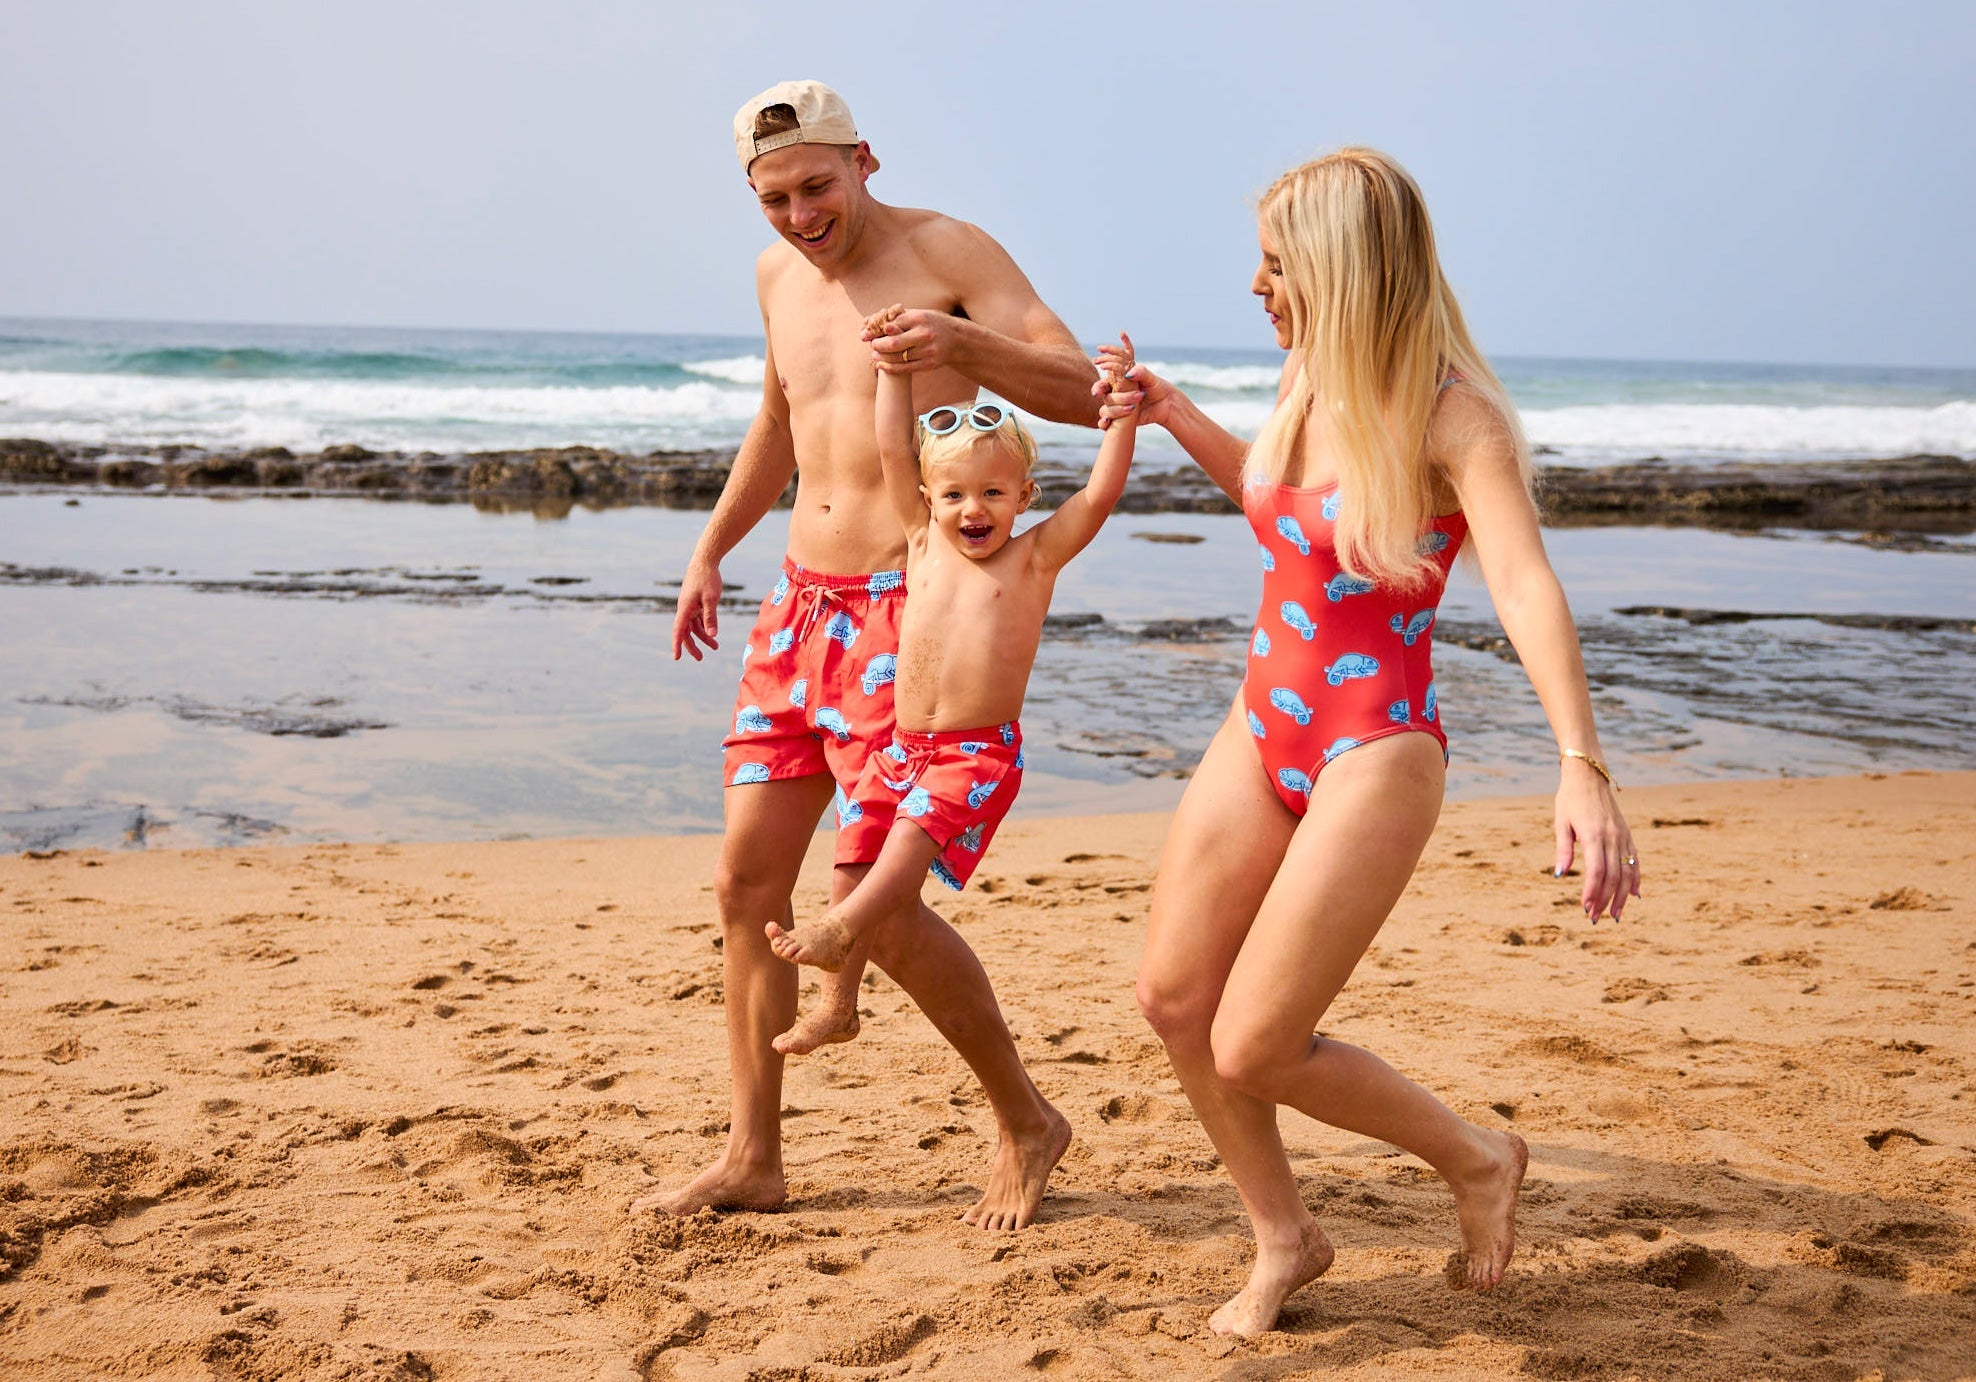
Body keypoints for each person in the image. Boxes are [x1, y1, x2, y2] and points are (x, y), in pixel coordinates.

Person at [1102, 147, 1642, 1335]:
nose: (1255, 284)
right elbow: (1275, 498)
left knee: (1254, 1039)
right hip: (1263, 723)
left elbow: (1521, 581)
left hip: (1372, 746)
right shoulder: (1306, 376)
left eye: (1277, 263)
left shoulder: (1454, 416)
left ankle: (1474, 1156)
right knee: (1173, 994)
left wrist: (1580, 763)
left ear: (1342, 272)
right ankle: (1283, 1235)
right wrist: (1170, 408)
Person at [640, 80, 1098, 1231]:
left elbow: (1089, 393)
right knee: (747, 881)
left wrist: (963, 342)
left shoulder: (950, 249)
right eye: (773, 198)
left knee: (871, 908)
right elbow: (777, 424)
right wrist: (709, 549)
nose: (799, 216)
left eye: (815, 187)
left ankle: (1026, 1118)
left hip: (913, 610)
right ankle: (754, 1153)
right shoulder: (774, 279)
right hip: (796, 607)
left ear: (864, 162)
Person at [765, 312, 1139, 1053]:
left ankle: (840, 933)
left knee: (900, 853)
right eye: (956, 496)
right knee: (853, 858)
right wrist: (895, 377)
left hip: (975, 753)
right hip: (901, 747)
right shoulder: (919, 542)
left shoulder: (1033, 561)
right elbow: (888, 448)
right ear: (930, 500)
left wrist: (1121, 410)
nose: (975, 510)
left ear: (1026, 496)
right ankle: (840, 1006)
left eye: (995, 494)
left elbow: (1097, 496)